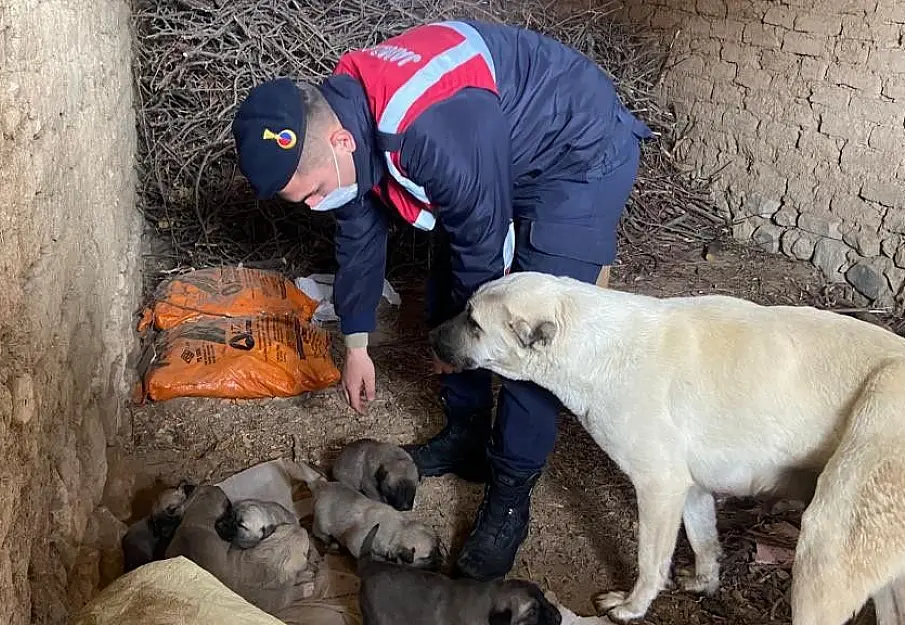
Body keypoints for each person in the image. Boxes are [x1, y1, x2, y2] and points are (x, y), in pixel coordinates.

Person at [230, 19, 653, 581]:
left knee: (527, 340)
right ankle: (466, 436)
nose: (313, 204)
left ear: (337, 143)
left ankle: (508, 495)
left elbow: (485, 262)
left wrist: (458, 350)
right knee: (445, 288)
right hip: (494, 154)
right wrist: (356, 343)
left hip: (574, 154)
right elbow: (358, 232)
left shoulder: (429, 129)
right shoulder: (347, 127)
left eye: (309, 191)